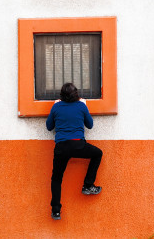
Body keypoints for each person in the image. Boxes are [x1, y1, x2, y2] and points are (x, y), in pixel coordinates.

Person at [45, 82, 103, 220]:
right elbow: (90, 125)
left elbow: (49, 127)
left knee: (57, 178)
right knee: (98, 154)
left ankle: (56, 210)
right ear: (76, 94)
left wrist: (55, 106)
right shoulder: (81, 106)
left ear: (61, 95)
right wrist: (84, 106)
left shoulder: (56, 107)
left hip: (61, 147)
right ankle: (88, 185)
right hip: (78, 146)